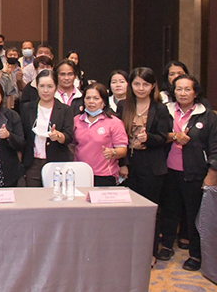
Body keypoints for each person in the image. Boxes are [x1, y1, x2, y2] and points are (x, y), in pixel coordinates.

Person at [157, 74, 217, 271]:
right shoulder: (165, 111)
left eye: (187, 89)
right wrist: (173, 136)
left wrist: (212, 172)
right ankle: (166, 246)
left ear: (195, 92)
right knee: (169, 211)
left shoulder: (207, 115)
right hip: (168, 170)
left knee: (194, 216)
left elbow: (214, 147)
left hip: (194, 173)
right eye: (178, 89)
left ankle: (196, 255)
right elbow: (156, 135)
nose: (182, 93)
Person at [117, 67, 172, 257]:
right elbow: (118, 137)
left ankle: (150, 252)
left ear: (153, 86)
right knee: (128, 210)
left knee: (150, 211)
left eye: (145, 84)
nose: (141, 88)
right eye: (137, 84)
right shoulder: (123, 106)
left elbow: (163, 137)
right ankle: (129, 250)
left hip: (152, 165)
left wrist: (148, 137)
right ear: (131, 85)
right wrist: (122, 163)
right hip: (129, 163)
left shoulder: (160, 108)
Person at [20, 70, 74, 186]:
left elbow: (69, 137)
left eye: (50, 86)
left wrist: (59, 136)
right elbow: (23, 136)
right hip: (32, 162)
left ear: (56, 87)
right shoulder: (27, 108)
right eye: (42, 86)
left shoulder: (65, 110)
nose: (45, 90)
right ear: (36, 87)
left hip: (56, 161)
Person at [72, 82, 128, 186]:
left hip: (104, 175)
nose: (91, 102)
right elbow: (72, 145)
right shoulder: (76, 120)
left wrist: (113, 152)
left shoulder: (114, 122)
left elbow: (123, 150)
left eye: (96, 98)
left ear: (104, 102)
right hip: (80, 173)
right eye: (88, 98)